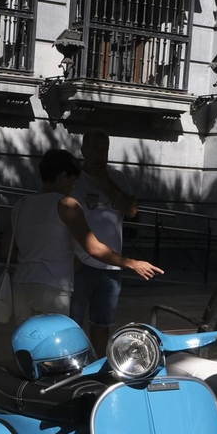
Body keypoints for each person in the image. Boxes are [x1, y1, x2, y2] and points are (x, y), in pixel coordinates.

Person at [0, 149, 161, 321]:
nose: (73, 187)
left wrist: (35, 256)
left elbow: (5, 250)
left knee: (27, 336)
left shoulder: (20, 205)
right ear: (63, 176)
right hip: (53, 286)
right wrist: (132, 263)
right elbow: (94, 248)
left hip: (21, 285)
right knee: (56, 337)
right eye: (73, 181)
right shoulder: (66, 205)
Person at [71, 130, 139, 354]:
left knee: (102, 323)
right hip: (80, 264)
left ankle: (100, 365)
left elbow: (131, 211)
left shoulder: (117, 178)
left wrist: (106, 183)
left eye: (105, 149)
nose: (101, 155)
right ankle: (73, 366)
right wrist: (69, 255)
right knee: (73, 322)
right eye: (95, 149)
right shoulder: (73, 180)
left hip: (111, 267)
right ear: (84, 150)